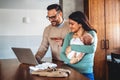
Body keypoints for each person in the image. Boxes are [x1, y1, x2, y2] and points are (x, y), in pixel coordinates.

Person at [60, 11, 98, 80]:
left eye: (72, 24)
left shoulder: (91, 34)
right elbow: (62, 54)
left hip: (86, 73)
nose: (70, 26)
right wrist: (70, 61)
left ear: (80, 24)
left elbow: (91, 49)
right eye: (69, 24)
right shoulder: (69, 36)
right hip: (71, 71)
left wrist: (72, 47)